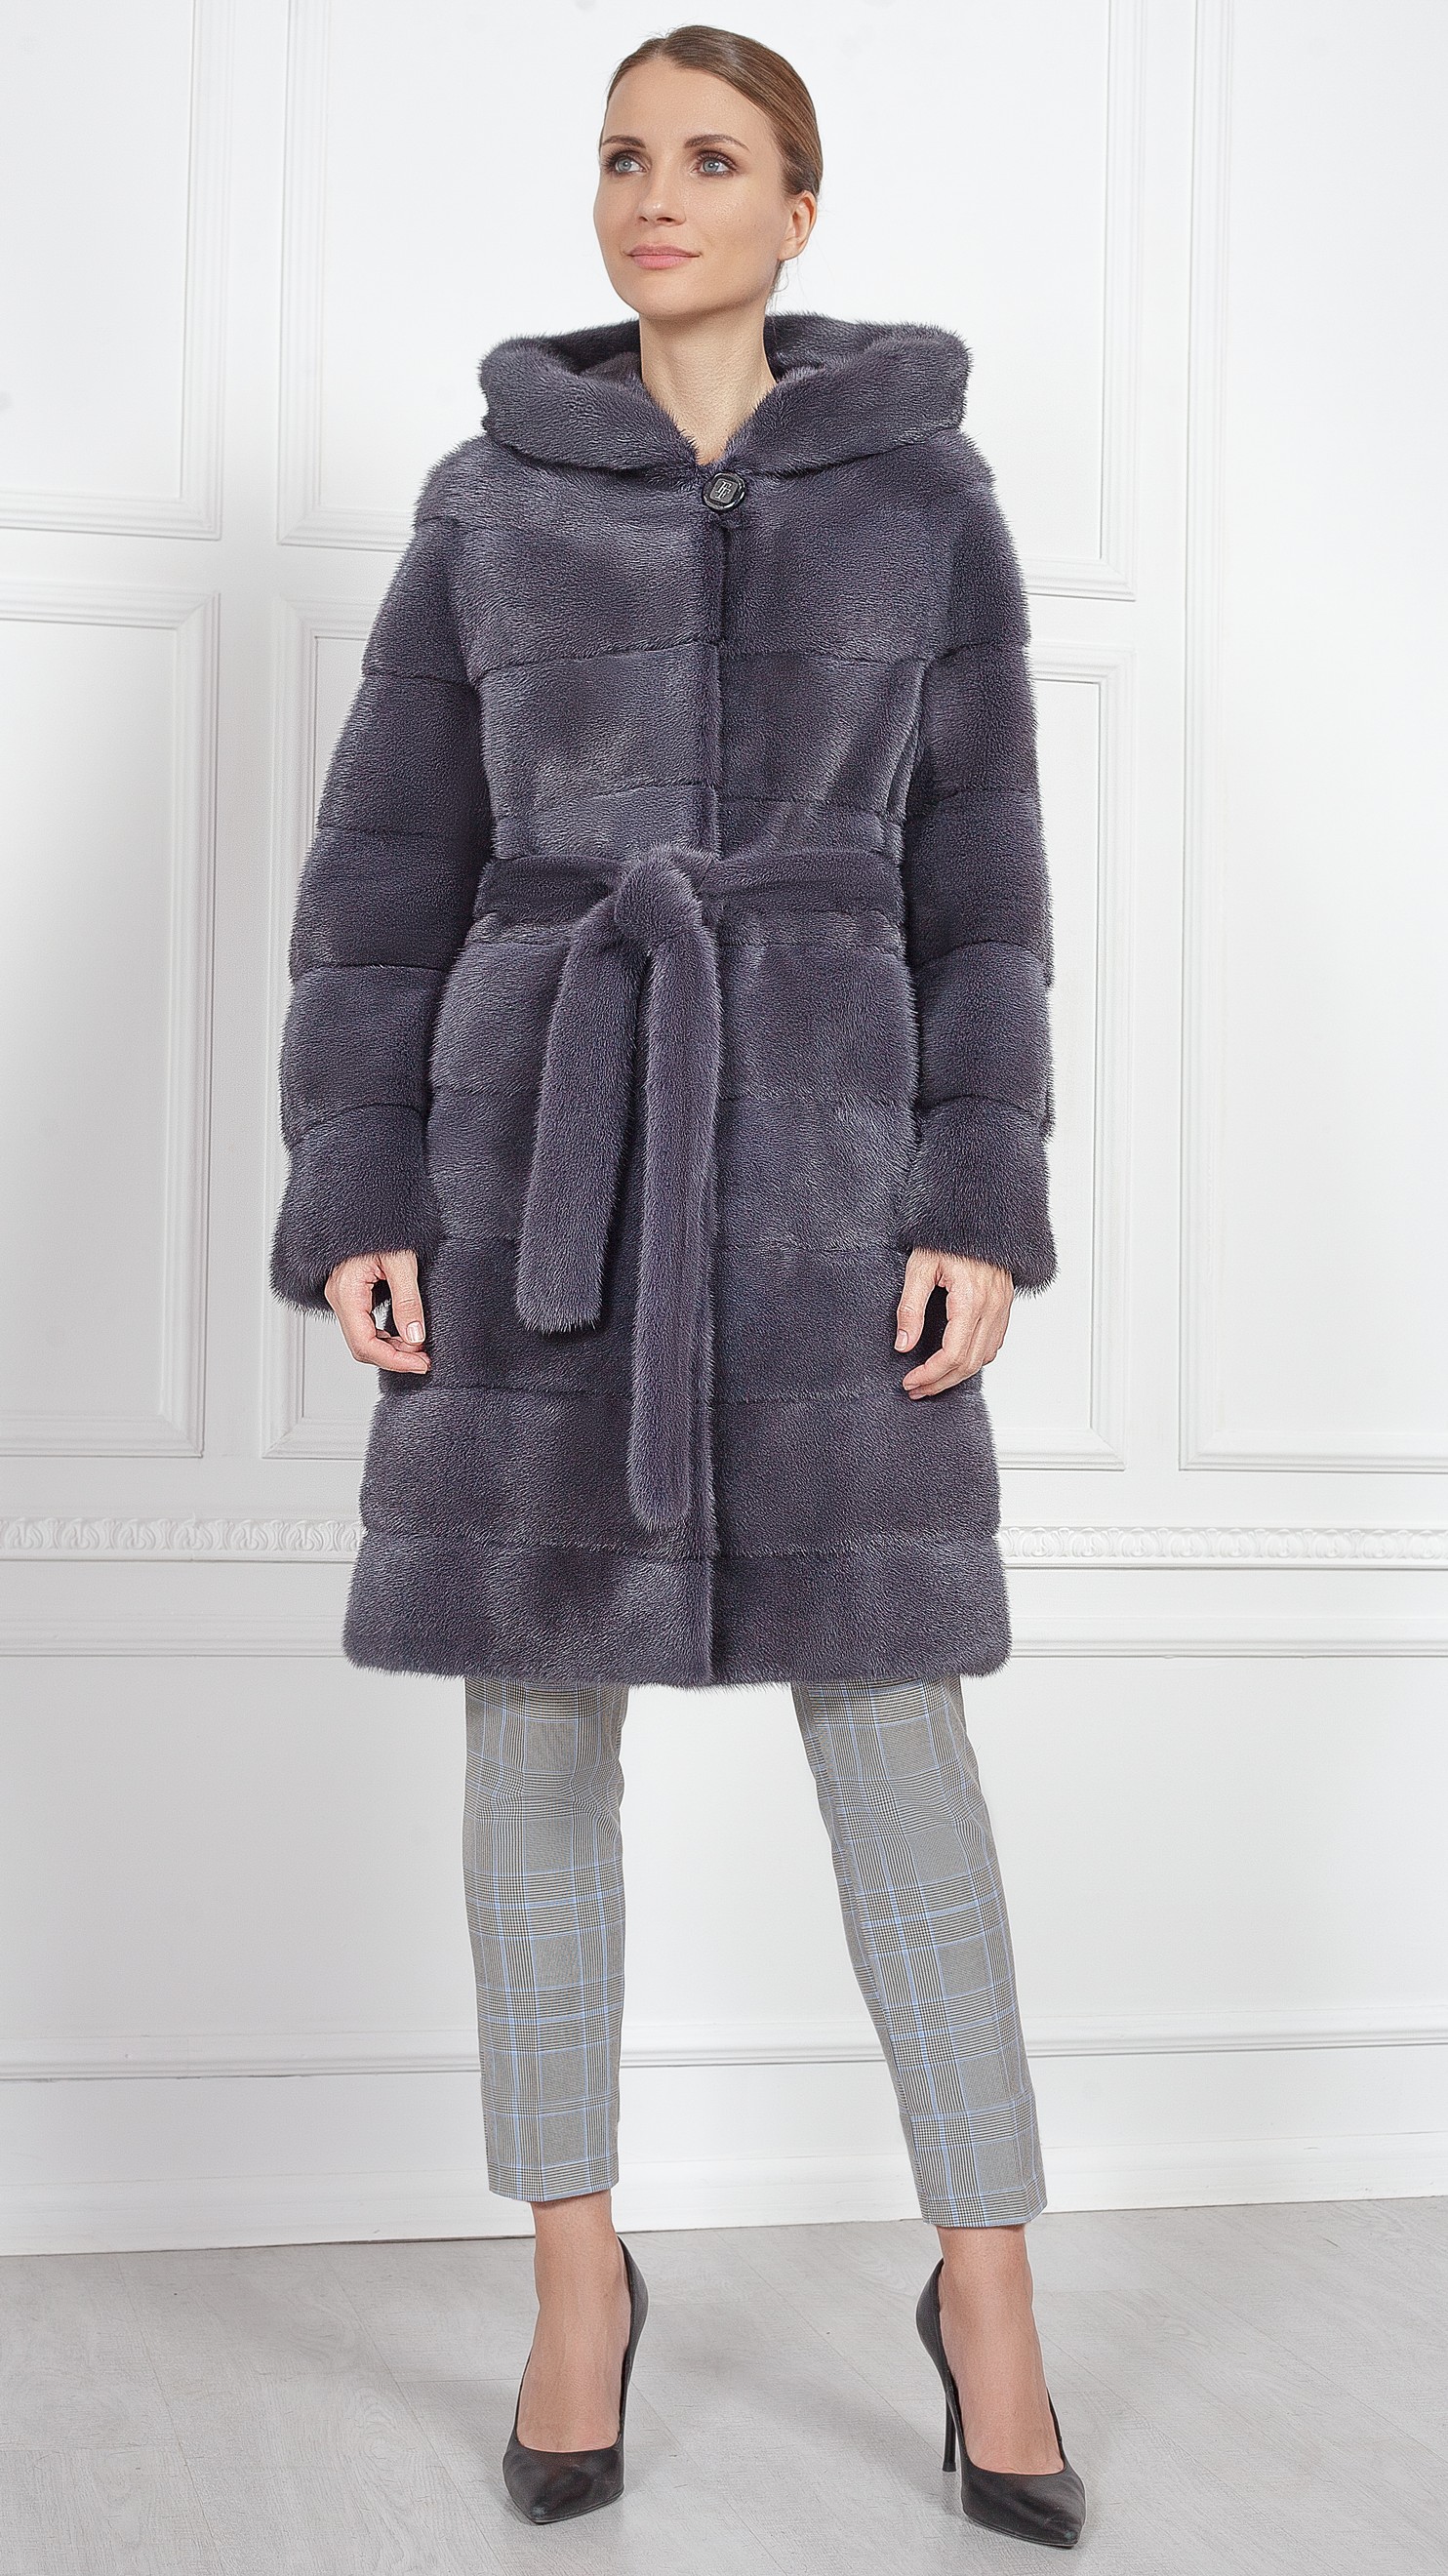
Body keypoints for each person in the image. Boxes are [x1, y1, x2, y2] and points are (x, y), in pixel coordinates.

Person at [269, 20, 1083, 2551]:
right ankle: (574, 2283)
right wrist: (361, 1189)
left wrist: (975, 1192)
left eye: (712, 160)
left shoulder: (922, 502)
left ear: (796, 211)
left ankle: (988, 2300)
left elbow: (982, 881)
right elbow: (382, 873)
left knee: (898, 1742)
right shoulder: (492, 497)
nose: (654, 195)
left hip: (832, 1165)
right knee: (531, 1742)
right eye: (623, 154)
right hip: (542, 1159)